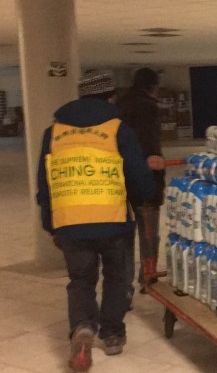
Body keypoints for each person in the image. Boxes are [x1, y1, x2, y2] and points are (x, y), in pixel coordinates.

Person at [36, 71, 156, 371]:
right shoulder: (118, 129)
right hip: (112, 220)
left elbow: (45, 182)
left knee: (80, 280)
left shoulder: (54, 133)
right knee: (117, 277)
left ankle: (82, 329)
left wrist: (51, 223)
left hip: (70, 222)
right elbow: (137, 174)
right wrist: (147, 193)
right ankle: (112, 334)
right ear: (111, 97)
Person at [116, 68, 165, 299]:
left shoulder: (119, 103)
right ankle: (147, 277)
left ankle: (124, 285)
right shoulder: (148, 106)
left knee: (124, 234)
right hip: (143, 175)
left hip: (117, 175)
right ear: (153, 86)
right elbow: (149, 139)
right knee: (148, 231)